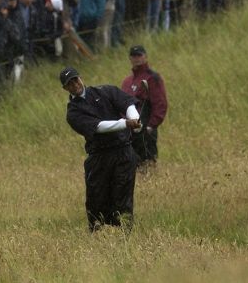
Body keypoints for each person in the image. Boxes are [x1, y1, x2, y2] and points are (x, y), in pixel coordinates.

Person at [61, 66, 140, 232]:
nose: (74, 84)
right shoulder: (73, 113)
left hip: (123, 153)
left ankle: (124, 235)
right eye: (69, 83)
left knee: (122, 197)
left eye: (75, 79)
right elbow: (98, 127)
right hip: (99, 158)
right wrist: (125, 123)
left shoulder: (105, 91)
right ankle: (99, 236)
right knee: (97, 199)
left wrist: (134, 118)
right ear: (65, 88)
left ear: (80, 78)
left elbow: (127, 103)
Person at [121, 45, 168, 167]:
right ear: (130, 58)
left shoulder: (152, 78)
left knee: (147, 162)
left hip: (145, 128)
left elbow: (160, 103)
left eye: (139, 55)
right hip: (129, 130)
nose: (137, 58)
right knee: (131, 164)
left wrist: (152, 125)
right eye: (134, 56)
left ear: (145, 57)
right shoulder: (127, 81)